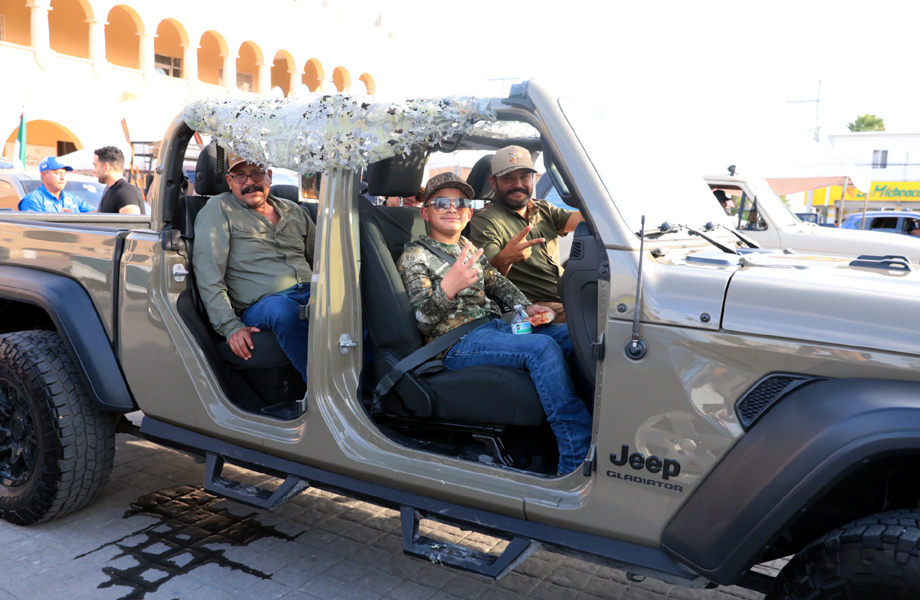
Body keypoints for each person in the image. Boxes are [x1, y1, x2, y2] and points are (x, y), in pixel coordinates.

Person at [397, 172, 592, 475]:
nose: (452, 208)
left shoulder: (466, 246)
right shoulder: (415, 256)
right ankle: (575, 457)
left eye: (461, 203)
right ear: (425, 212)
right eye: (442, 203)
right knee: (541, 348)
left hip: (493, 327)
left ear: (469, 213)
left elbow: (497, 284)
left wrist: (526, 307)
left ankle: (598, 429)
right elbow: (423, 322)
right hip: (455, 343)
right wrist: (448, 288)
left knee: (575, 336)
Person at [193, 152, 316, 383]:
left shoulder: (294, 210)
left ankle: (372, 390)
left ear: (269, 176)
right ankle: (325, 390)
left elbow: (321, 260)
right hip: (263, 305)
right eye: (240, 176)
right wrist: (230, 326)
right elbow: (209, 276)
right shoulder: (219, 209)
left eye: (257, 174)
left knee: (351, 303)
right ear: (229, 181)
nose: (250, 182)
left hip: (310, 292)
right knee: (284, 311)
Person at [469, 146, 584, 323]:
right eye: (508, 178)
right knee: (592, 318)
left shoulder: (543, 208)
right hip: (530, 307)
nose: (518, 184)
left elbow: (585, 219)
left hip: (567, 295)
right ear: (493, 182)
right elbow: (486, 278)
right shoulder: (486, 220)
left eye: (524, 176)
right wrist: (505, 258)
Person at [18, 157, 93, 213]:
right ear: (44, 174)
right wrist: (61, 219)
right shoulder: (32, 200)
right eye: (58, 173)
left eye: (64, 174)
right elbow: (35, 227)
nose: (62, 178)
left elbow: (95, 213)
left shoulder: (72, 198)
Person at [93, 146, 144, 214]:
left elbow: (132, 220)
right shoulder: (110, 191)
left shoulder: (125, 193)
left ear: (106, 167)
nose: (94, 170)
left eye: (95, 165)